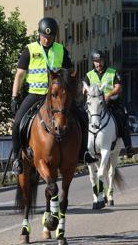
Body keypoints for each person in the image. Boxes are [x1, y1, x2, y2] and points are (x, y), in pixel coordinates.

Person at [9, 17, 90, 175]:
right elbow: (19, 75)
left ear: (54, 37)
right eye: (43, 37)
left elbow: (71, 73)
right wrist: (14, 96)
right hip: (36, 93)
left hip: (57, 96)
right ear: (39, 35)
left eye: (50, 37)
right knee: (17, 122)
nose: (46, 40)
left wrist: (71, 88)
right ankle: (17, 160)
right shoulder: (30, 50)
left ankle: (84, 153)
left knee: (82, 117)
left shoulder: (61, 50)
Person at [82, 49, 134, 157]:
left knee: (123, 119)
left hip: (111, 103)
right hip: (95, 105)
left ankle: (128, 147)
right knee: (82, 119)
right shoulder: (89, 75)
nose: (98, 63)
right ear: (93, 62)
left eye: (100, 61)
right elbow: (84, 88)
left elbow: (118, 88)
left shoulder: (112, 72)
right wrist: (87, 91)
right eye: (96, 61)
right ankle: (83, 149)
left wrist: (109, 95)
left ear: (104, 61)